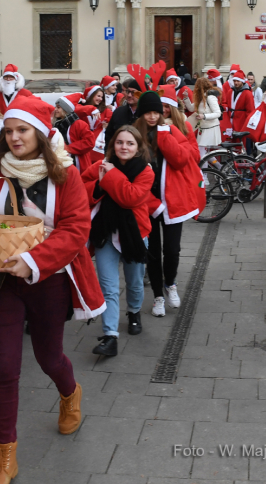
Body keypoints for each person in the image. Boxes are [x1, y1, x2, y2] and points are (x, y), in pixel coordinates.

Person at [0, 97, 105, 483]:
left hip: (48, 282)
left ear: (39, 132)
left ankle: (70, 393)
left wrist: (34, 261)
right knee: (3, 368)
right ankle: (5, 455)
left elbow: (75, 230)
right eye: (9, 131)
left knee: (49, 357)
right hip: (2, 281)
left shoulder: (66, 176)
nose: (15, 137)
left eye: (22, 130)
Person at [81, 125, 154, 357]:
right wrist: (98, 184)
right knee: (108, 288)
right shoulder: (99, 166)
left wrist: (110, 176)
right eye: (120, 142)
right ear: (113, 144)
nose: (124, 147)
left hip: (134, 233)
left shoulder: (146, 171)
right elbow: (81, 190)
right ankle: (110, 335)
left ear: (138, 147)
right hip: (105, 233)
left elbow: (130, 198)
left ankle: (134, 312)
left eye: (130, 143)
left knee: (134, 282)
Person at [134, 91, 200, 318]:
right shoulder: (134, 136)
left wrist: (164, 137)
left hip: (173, 202)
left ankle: (170, 282)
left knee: (172, 250)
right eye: (148, 112)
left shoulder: (170, 130)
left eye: (156, 112)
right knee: (152, 252)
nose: (152, 116)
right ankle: (157, 296)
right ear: (141, 114)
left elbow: (181, 160)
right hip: (147, 204)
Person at [185, 77, 222, 157]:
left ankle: (203, 169)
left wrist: (204, 116)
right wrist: (186, 98)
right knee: (204, 153)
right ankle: (217, 167)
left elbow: (218, 113)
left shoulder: (210, 97)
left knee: (202, 153)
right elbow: (191, 108)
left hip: (210, 128)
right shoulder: (201, 97)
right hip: (203, 127)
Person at [228, 70, 256, 137]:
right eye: (234, 81)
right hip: (230, 119)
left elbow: (250, 110)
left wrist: (247, 123)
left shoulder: (247, 94)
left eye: (238, 81)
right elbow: (225, 103)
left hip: (241, 120)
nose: (236, 83)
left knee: (241, 140)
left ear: (242, 81)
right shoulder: (230, 91)